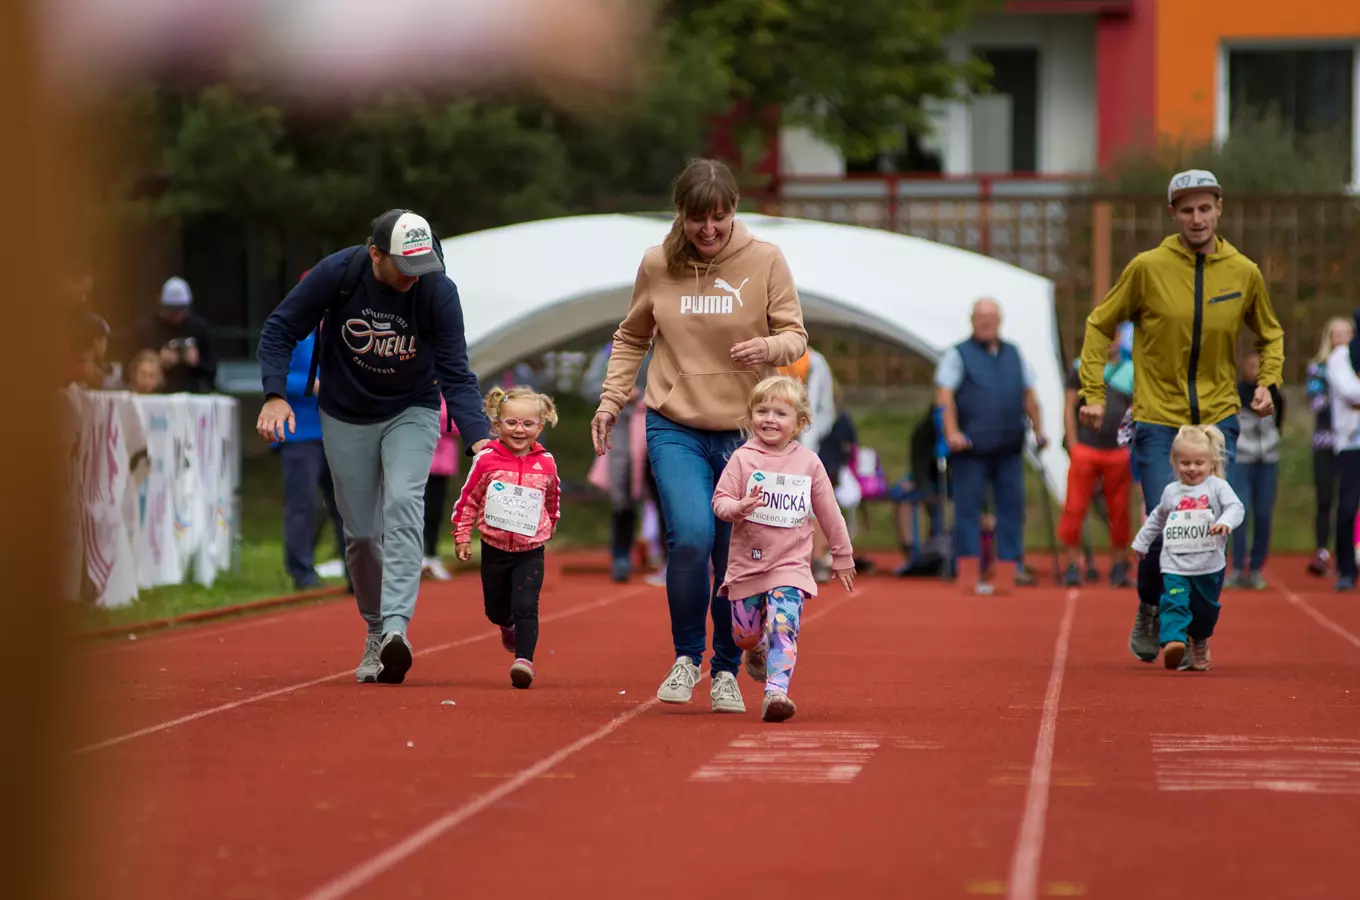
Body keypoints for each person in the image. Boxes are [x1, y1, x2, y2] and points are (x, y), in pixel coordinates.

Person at [591, 157, 809, 715]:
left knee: (729, 552)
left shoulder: (765, 260)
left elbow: (794, 336)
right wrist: (612, 400)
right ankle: (688, 656)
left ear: (734, 211)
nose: (709, 230)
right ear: (680, 215)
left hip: (745, 434)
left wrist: (767, 348)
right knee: (689, 537)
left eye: (720, 217)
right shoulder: (658, 264)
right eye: (697, 219)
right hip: (675, 425)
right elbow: (632, 336)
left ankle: (726, 671)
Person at [255, 208, 492, 686]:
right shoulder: (338, 274)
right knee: (362, 533)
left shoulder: (437, 290)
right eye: (403, 268)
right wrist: (276, 394)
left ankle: (396, 632)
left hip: (413, 408)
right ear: (375, 253)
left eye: (420, 268)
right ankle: (375, 627)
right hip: (345, 412)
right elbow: (279, 329)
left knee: (405, 502)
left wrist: (481, 440)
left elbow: (456, 372)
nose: (412, 278)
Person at [1078, 169, 1283, 663]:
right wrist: (1093, 392)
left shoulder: (1244, 272)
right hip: (1157, 418)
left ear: (1219, 209)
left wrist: (1267, 382)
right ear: (1173, 214)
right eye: (1186, 209)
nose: (1197, 218)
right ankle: (1152, 605)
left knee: (1212, 530)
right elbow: (1099, 323)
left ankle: (1193, 631)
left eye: (1205, 207)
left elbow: (1269, 334)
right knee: (1165, 524)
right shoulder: (1147, 268)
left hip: (1217, 418)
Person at [712, 375, 855, 722]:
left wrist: (841, 554)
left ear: (800, 423)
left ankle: (776, 693)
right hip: (748, 564)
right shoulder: (742, 460)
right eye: (762, 411)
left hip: (790, 564)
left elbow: (828, 510)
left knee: (783, 625)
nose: (770, 419)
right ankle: (755, 650)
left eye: (780, 413)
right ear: (749, 417)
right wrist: (739, 507)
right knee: (744, 635)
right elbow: (720, 501)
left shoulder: (808, 463)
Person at [936, 297, 1048, 595]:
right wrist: (952, 432)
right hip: (971, 447)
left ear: (1000, 320)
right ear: (972, 320)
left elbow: (1029, 395)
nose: (986, 322)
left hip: (1009, 445)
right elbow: (944, 396)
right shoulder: (957, 354)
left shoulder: (1014, 353)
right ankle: (970, 575)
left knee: (1011, 509)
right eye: (980, 317)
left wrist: (1040, 431)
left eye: (991, 317)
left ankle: (1008, 572)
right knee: (968, 511)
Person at [451, 386, 561, 689]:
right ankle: (506, 625)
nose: (519, 430)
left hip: (530, 549)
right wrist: (461, 535)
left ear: (540, 426)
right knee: (496, 610)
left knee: (527, 605)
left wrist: (551, 524)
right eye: (511, 423)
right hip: (494, 548)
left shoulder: (546, 463)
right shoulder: (486, 460)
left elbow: (552, 498)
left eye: (528, 424)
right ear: (497, 425)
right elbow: (469, 499)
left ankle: (524, 661)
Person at [1130, 424, 1244, 672]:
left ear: (1211, 462)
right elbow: (1156, 519)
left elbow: (1236, 507)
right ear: (1174, 462)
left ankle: (1199, 640)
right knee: (1174, 601)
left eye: (1198, 463)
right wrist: (1142, 542)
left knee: (1205, 611)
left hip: (1208, 566)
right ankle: (1174, 641)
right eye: (1185, 463)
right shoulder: (1171, 491)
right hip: (1176, 564)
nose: (1192, 469)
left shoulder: (1217, 487)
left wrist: (1225, 521)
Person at [274, 324, 349, 591]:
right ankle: (302, 573)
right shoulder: (290, 335)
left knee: (350, 506)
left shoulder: (347, 333)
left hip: (340, 431)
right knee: (303, 504)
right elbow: (275, 375)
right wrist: (313, 385)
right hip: (300, 433)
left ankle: (357, 573)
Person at [1058, 338, 1135, 587]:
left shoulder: (1132, 370)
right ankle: (1071, 564)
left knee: (1119, 510)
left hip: (1117, 451)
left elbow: (1138, 408)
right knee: (1075, 507)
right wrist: (1072, 443)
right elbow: (1069, 405)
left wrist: (1132, 444)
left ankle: (1119, 565)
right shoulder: (1081, 367)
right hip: (1086, 449)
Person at [1227, 352, 1283, 589]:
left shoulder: (1276, 396)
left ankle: (1256, 568)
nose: (1255, 370)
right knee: (1240, 512)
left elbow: (1280, 424)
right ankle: (1238, 567)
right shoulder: (1235, 393)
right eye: (1251, 365)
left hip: (1268, 462)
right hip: (1241, 461)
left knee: (1263, 514)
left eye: (1259, 366)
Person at [1306, 316, 1353, 577]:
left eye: (1347, 334)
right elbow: (1317, 403)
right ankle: (1322, 551)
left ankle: (1350, 552)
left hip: (1351, 442)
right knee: (1325, 498)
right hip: (1325, 442)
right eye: (1337, 334)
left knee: (1350, 501)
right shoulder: (1319, 367)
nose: (1342, 339)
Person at [131, 276, 218, 394]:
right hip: (156, 393)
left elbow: (212, 370)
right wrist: (157, 361)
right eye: (172, 310)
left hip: (191, 393)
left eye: (181, 309)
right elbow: (129, 368)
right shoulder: (147, 328)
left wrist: (196, 363)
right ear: (162, 306)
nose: (177, 315)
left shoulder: (200, 328)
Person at [1324, 312, 1360, 591]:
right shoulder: (1339, 357)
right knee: (1347, 507)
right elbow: (1350, 392)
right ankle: (1346, 569)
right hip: (1351, 444)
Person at [421, 395, 460, 581]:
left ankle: (431, 555)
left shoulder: (451, 391)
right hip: (415, 459)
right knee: (412, 509)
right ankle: (412, 557)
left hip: (442, 462)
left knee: (434, 511)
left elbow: (460, 422)